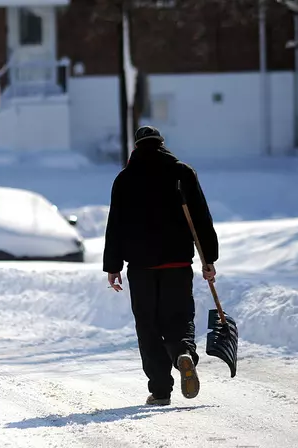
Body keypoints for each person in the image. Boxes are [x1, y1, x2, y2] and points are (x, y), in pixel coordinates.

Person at [103, 126, 218, 406]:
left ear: (137, 147)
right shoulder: (182, 173)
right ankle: (184, 353)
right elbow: (201, 217)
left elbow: (115, 224)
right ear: (162, 144)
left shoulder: (125, 179)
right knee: (179, 317)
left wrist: (113, 265)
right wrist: (209, 259)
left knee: (148, 326)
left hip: (141, 267)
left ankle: (160, 389)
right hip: (177, 262)